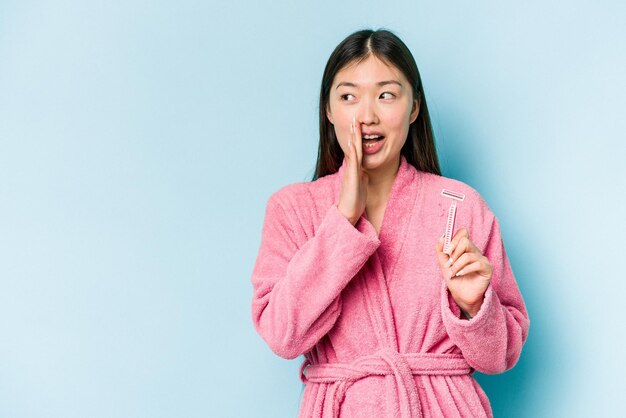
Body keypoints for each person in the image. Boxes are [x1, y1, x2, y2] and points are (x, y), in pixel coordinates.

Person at [250, 29, 529, 418]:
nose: (367, 116)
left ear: (414, 107)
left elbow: (502, 356)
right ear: (328, 110)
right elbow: (283, 335)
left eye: (386, 95)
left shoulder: (458, 206)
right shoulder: (293, 209)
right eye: (348, 96)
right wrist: (343, 221)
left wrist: (475, 307)